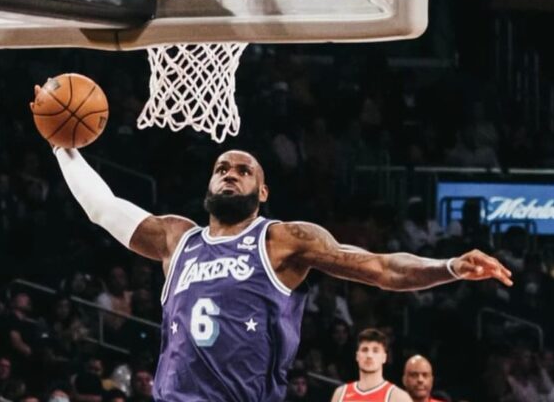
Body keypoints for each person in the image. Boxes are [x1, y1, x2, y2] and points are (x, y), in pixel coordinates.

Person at [44, 97, 512, 402]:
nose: (230, 173)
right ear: (209, 184)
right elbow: (103, 208)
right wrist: (61, 145)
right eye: (222, 168)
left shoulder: (282, 240)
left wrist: (449, 265)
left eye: (243, 170)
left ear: (263, 192)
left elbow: (380, 268)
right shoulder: (177, 238)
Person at [331, 329, 411, 402]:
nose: (369, 355)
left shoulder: (399, 397)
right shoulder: (340, 394)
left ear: (384, 357)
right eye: (364, 350)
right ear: (357, 356)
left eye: (375, 351)